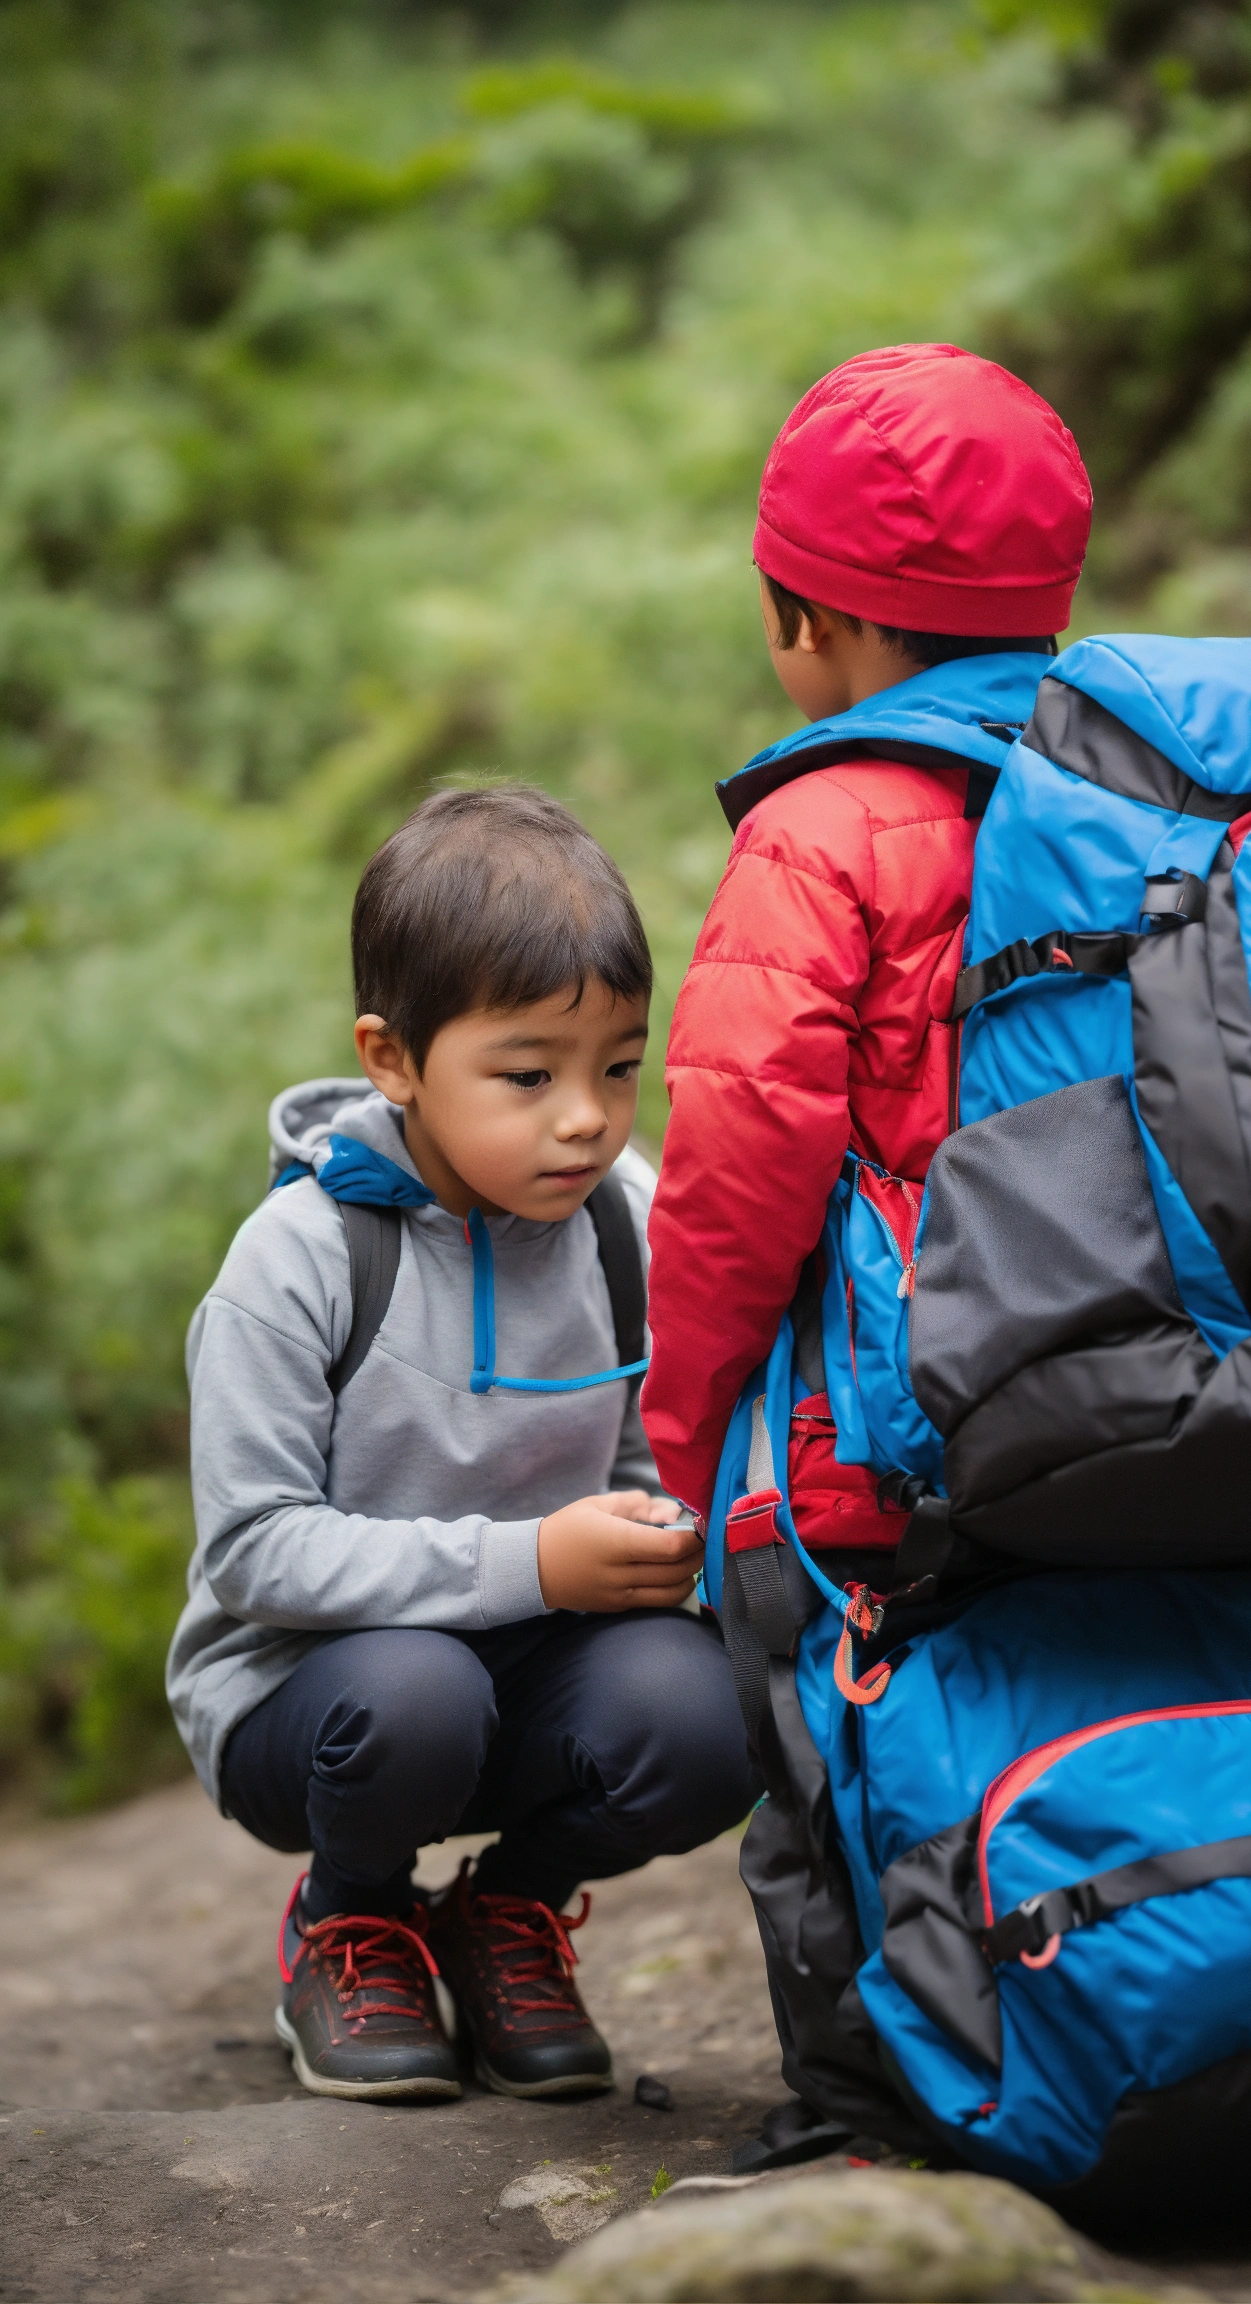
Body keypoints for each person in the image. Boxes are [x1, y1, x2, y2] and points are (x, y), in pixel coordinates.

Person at [166, 786, 753, 2105]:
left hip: (528, 1669)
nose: (586, 1119)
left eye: (617, 1066)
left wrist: (671, 1541)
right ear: (394, 1059)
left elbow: (656, 1462)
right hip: (317, 1699)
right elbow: (254, 1552)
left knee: (713, 1716)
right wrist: (535, 1560)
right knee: (418, 1691)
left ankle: (506, 1916)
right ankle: (351, 1920)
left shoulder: (627, 1226)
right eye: (528, 1074)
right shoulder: (302, 1259)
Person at [641, 342, 1092, 1526]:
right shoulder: (1147, 795)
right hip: (1159, 1398)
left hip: (890, 1458)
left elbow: (737, 1176)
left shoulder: (817, 831)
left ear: (806, 618)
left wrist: (675, 1463)